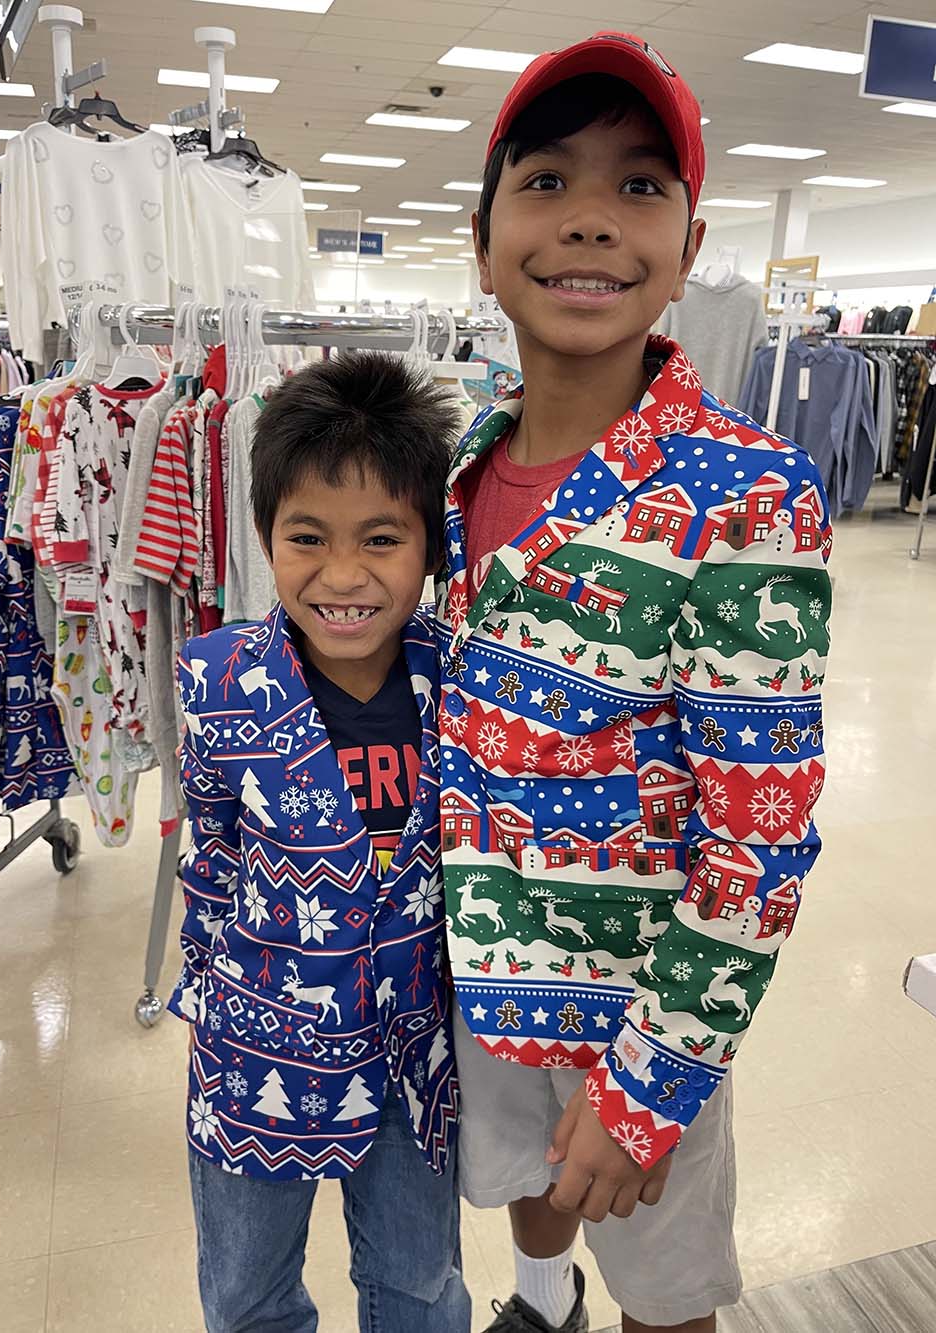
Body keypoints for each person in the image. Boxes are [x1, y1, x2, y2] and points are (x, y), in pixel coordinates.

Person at [438, 30, 832, 1333]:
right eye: (545, 182)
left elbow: (759, 841)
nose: (590, 222)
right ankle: (538, 1302)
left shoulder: (745, 493)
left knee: (666, 1294)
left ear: (693, 243)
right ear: (484, 238)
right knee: (528, 1195)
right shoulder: (449, 478)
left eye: (640, 186)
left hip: (635, 1010)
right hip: (485, 981)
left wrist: (650, 1083)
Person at [169, 352, 469, 1333]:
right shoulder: (218, 681)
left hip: (412, 1059)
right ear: (265, 536)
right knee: (250, 1292)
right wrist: (220, 992)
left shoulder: (458, 680)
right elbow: (208, 856)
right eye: (307, 537)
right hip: (258, 1056)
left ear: (429, 544)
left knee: (420, 1284)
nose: (343, 576)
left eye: (381, 538)